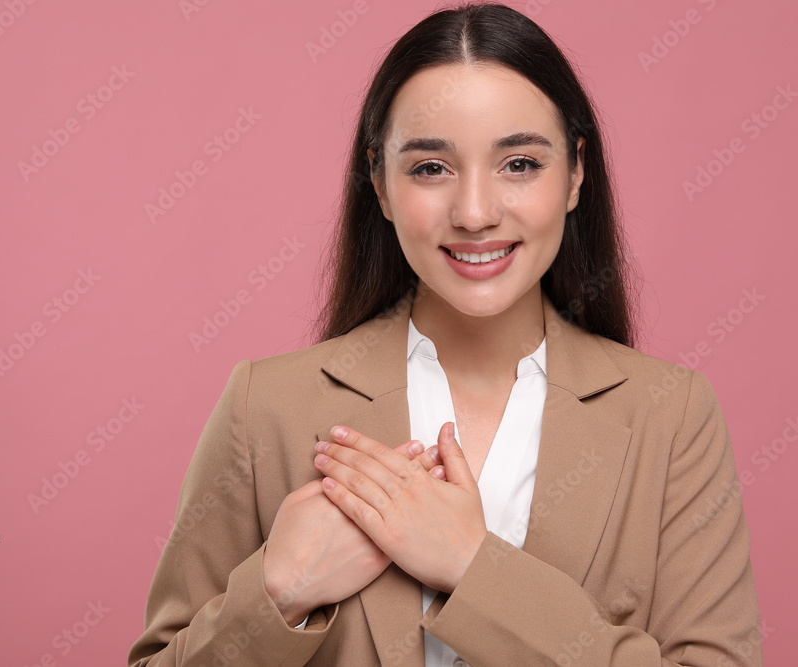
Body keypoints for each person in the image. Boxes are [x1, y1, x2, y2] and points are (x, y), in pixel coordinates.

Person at [128, 2, 763, 665]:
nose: (475, 212)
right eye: (431, 167)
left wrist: (474, 568)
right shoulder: (266, 406)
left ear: (576, 173)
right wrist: (279, 590)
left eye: (519, 163)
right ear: (379, 181)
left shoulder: (673, 417)